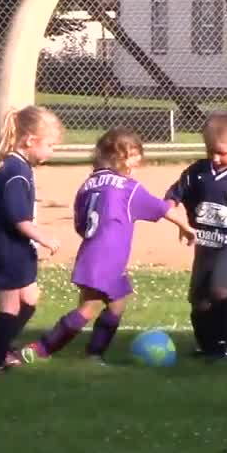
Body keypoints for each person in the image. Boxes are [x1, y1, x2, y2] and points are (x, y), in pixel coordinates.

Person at [20, 128, 194, 364]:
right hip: (109, 257)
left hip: (90, 253)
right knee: (99, 308)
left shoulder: (88, 185)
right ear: (122, 157)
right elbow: (164, 208)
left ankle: (71, 352)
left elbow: (80, 224)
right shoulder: (128, 188)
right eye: (134, 159)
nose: (135, 166)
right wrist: (184, 226)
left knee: (102, 306)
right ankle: (60, 350)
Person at [0, 106, 64, 372]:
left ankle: (0, 347)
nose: (51, 152)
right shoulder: (15, 171)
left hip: (13, 248)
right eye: (50, 145)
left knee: (30, 300)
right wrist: (44, 237)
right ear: (30, 140)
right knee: (9, 308)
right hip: (3, 249)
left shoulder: (9, 165)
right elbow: (18, 219)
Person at [164, 113, 227, 361]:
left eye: (221, 152)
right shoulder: (197, 172)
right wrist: (177, 217)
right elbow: (173, 196)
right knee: (198, 297)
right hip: (204, 243)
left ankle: (224, 343)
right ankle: (206, 345)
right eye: (210, 151)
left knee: (219, 289)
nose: (215, 158)